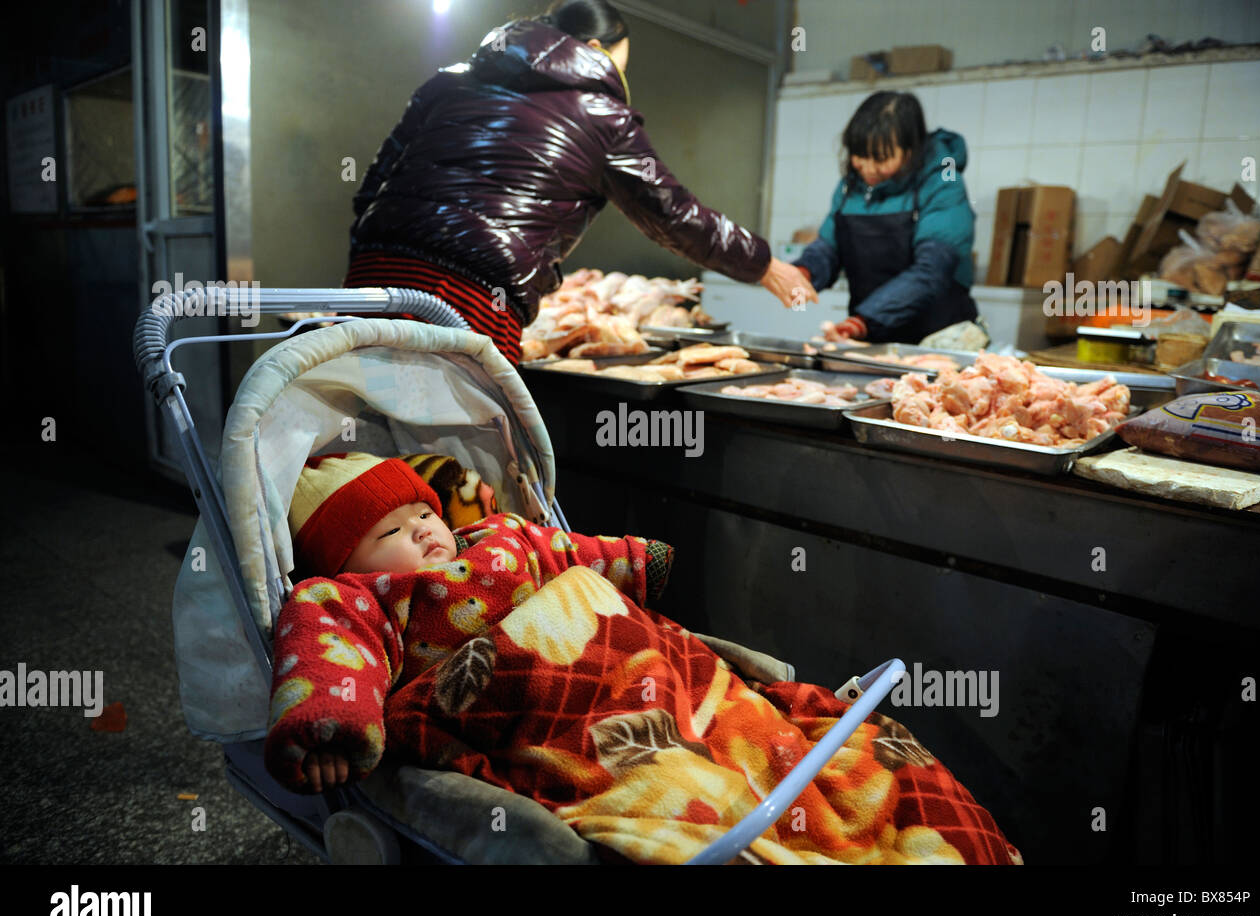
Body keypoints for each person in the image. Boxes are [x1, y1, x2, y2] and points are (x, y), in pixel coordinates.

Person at [263, 452, 1024, 865]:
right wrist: (328, 726)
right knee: (690, 784)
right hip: (548, 706)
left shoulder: (503, 540)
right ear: (352, 564)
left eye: (425, 510)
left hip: (654, 674)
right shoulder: (362, 599)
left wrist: (631, 562)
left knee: (821, 746)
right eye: (392, 530)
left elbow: (570, 553)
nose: (426, 531)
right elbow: (326, 654)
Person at [344, 0, 815, 365]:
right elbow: (674, 213)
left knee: (362, 440)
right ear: (594, 52)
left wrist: (383, 250)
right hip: (476, 295)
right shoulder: (603, 115)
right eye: (619, 68)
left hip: (371, 274)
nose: (618, 82)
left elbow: (372, 186)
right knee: (454, 458)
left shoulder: (448, 81)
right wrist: (765, 265)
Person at [794, 91, 978, 345]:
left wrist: (864, 321)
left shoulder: (943, 184)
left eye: (880, 159)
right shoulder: (850, 188)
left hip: (936, 338)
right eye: (859, 155)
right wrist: (803, 273)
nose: (867, 168)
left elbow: (933, 269)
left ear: (910, 150)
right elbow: (828, 246)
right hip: (872, 333)